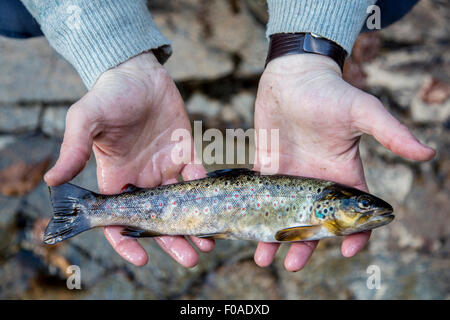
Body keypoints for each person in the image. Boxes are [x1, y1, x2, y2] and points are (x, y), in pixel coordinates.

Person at [1, 0, 434, 272]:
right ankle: (91, 209)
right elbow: (286, 235)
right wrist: (113, 54)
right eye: (358, 208)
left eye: (360, 208)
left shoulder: (317, 215)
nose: (366, 211)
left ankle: (93, 209)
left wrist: (309, 48)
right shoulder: (313, 217)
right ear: (330, 208)